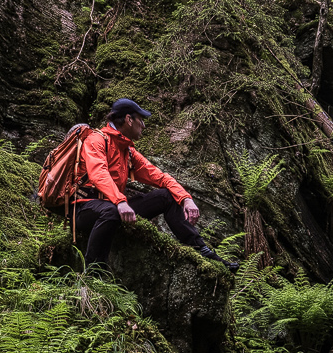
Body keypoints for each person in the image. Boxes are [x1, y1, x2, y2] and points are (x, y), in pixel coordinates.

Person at [71, 98, 235, 269]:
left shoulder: (127, 151)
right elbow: (98, 173)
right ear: (128, 120)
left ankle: (202, 250)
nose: (143, 126)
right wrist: (120, 202)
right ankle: (94, 272)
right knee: (111, 210)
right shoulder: (96, 140)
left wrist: (186, 198)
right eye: (140, 120)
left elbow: (160, 177)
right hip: (84, 209)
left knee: (167, 196)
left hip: (115, 207)